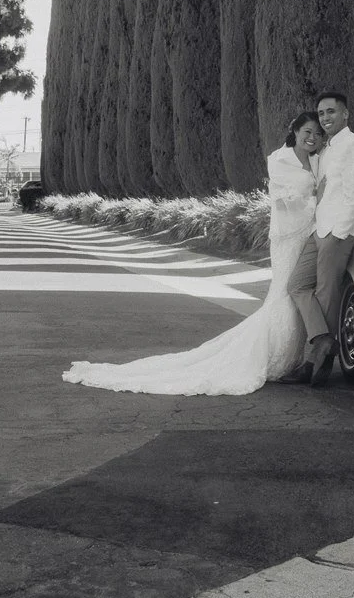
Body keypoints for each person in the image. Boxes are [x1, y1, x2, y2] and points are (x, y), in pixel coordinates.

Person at [61, 112, 322, 396]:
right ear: (295, 131)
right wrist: (316, 202)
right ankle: (273, 355)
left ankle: (289, 356)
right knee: (284, 292)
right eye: (307, 131)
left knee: (297, 292)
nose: (312, 138)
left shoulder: (316, 159)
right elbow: (284, 203)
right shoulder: (279, 160)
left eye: (317, 134)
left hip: (308, 234)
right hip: (288, 236)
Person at [286, 91, 354, 386]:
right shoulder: (327, 148)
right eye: (321, 113)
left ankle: (313, 363)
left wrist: (339, 233)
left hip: (339, 231)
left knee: (326, 293)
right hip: (319, 228)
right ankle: (324, 339)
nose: (325, 118)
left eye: (330, 112)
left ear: (345, 113)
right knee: (296, 284)